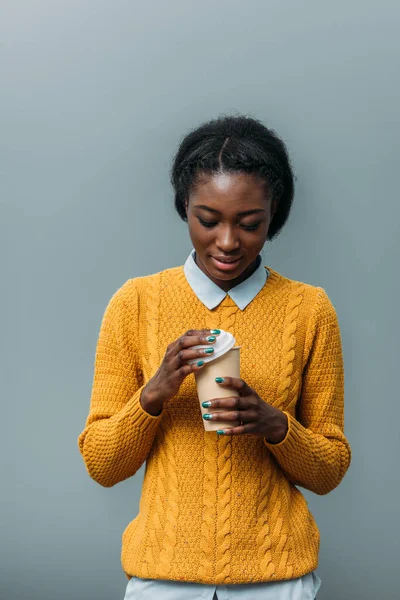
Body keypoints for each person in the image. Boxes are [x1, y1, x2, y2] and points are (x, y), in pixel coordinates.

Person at [78, 115, 351, 599]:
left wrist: (276, 426)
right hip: (163, 579)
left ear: (275, 214)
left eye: (251, 224)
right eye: (208, 220)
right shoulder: (136, 303)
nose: (227, 242)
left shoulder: (309, 309)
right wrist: (155, 393)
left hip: (277, 579)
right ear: (185, 206)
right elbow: (102, 465)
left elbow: (330, 471)